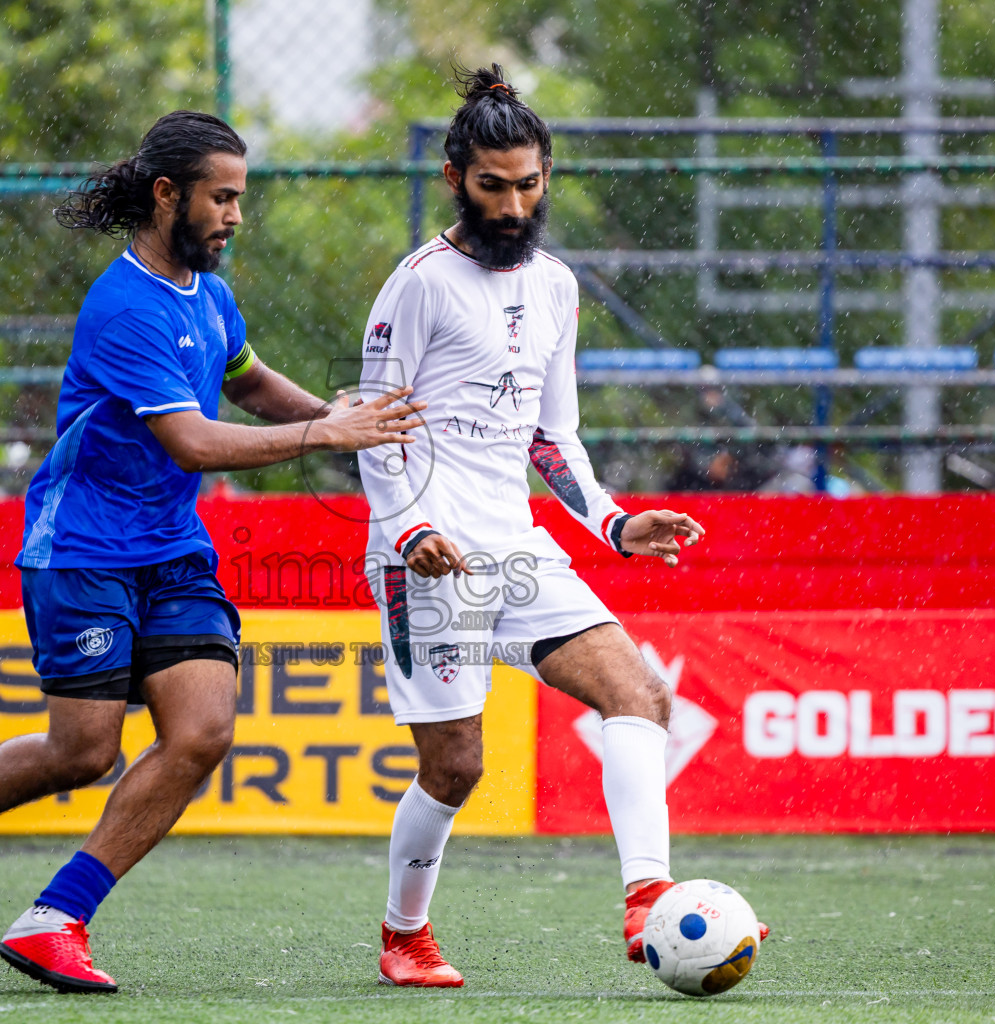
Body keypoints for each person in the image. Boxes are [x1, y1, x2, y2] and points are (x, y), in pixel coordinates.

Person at [0, 110, 426, 993]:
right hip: (81, 551)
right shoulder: (124, 308)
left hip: (172, 551)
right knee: (84, 753)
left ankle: (57, 917)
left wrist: (356, 429)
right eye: (221, 198)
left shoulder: (211, 297)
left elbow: (251, 383)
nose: (234, 216)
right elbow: (191, 442)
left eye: (240, 199)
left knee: (203, 732)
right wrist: (325, 433)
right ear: (167, 195)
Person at [356, 65, 764, 988]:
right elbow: (370, 426)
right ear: (456, 176)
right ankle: (403, 934)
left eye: (528, 184)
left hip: (519, 547)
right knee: (457, 765)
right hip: (427, 561)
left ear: (548, 177)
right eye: (492, 186)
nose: (512, 204)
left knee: (643, 693)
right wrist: (412, 528)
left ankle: (646, 897)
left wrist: (614, 525)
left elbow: (552, 434)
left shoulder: (556, 286)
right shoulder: (415, 286)